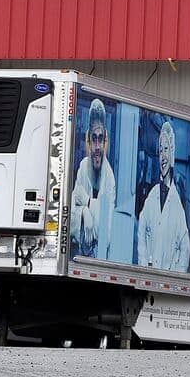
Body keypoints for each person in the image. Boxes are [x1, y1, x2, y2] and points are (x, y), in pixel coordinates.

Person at [137, 120, 190, 272]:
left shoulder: (177, 203)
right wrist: (143, 262)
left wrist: (176, 274)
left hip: (167, 277)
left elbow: (185, 246)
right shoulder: (153, 195)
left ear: (172, 152)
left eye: (166, 149)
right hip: (149, 274)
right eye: (160, 151)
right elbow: (142, 227)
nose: (163, 156)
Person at [70, 99, 117, 260]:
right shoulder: (83, 167)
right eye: (94, 139)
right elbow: (70, 218)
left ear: (105, 141)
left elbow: (106, 234)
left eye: (100, 139)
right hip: (78, 255)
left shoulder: (109, 178)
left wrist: (87, 202)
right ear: (89, 141)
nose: (97, 147)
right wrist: (84, 213)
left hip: (99, 258)